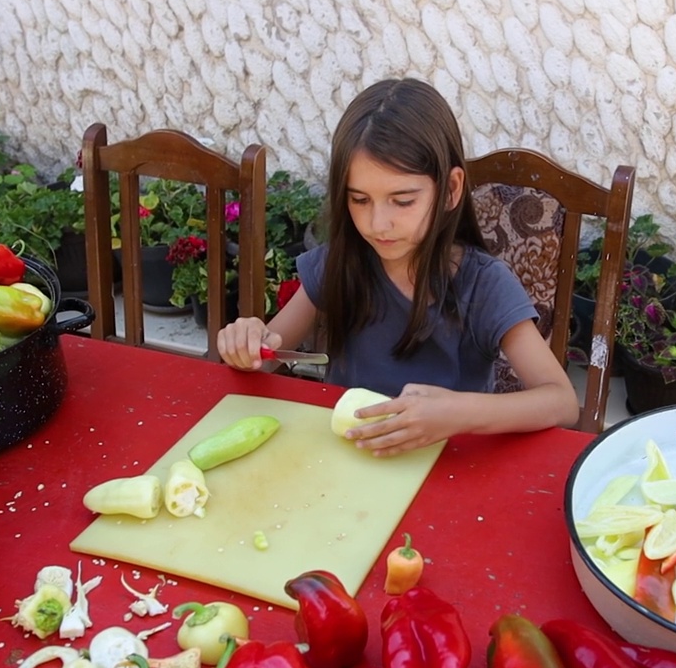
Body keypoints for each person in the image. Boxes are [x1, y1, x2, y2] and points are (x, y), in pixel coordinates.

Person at [217, 77, 579, 456]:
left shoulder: (483, 285)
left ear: (451, 190)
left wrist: (460, 413)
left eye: (402, 201)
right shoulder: (339, 264)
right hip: (346, 459)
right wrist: (247, 345)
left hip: (448, 472)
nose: (378, 224)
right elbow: (266, 360)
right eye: (359, 200)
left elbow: (561, 402)